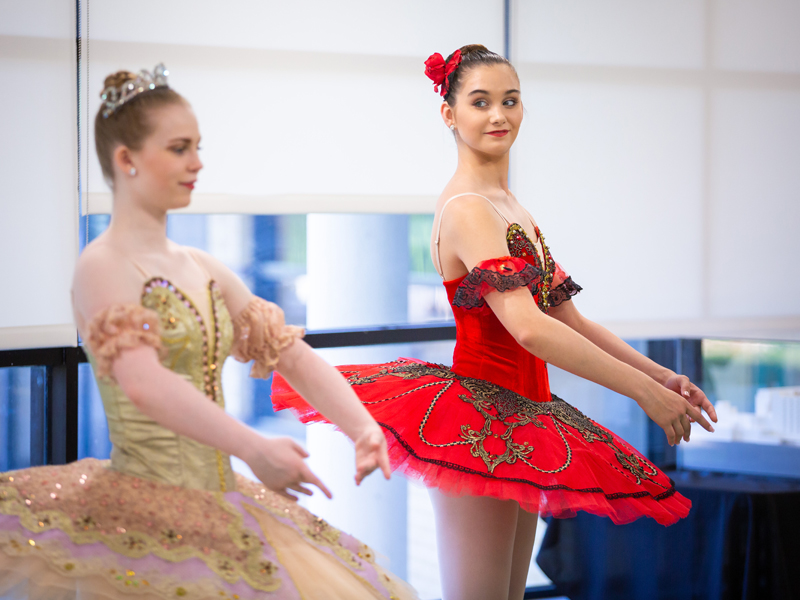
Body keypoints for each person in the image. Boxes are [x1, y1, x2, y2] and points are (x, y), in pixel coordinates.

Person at [271, 45, 719, 600]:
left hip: (525, 420)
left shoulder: (509, 205)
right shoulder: (467, 209)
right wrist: (641, 396)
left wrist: (660, 378)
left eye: (510, 101)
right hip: (477, 423)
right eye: (480, 102)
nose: (498, 116)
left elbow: (568, 318)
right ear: (449, 114)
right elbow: (528, 328)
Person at [0, 64, 416, 600]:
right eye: (179, 148)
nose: (197, 163)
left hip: (223, 499)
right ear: (126, 159)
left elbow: (289, 353)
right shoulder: (101, 264)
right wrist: (253, 448)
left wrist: (363, 427)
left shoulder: (203, 265)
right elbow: (144, 384)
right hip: (140, 509)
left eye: (197, 147)